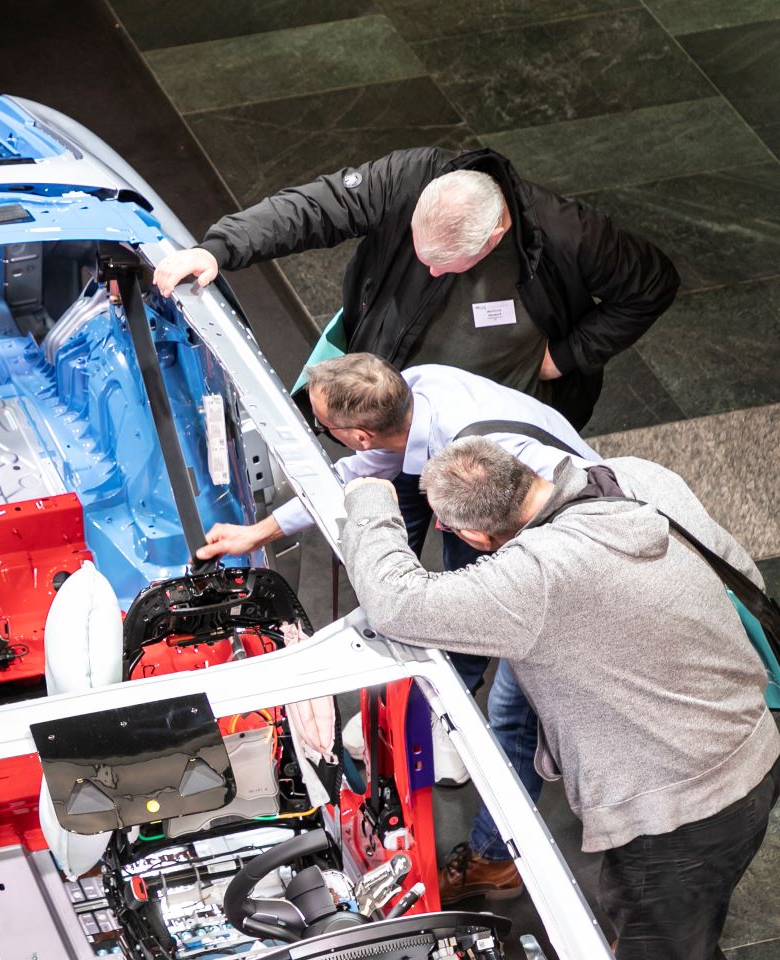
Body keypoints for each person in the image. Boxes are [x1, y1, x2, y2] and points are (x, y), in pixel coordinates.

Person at [341, 438, 779, 960]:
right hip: (752, 736)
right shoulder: (635, 474)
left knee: (662, 939)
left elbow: (396, 601)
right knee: (676, 919)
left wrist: (370, 498)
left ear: (475, 535)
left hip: (684, 807)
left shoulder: (534, 578)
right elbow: (741, 572)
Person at [196, 352, 598, 902]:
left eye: (326, 429)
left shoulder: (486, 461)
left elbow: (548, 549)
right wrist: (259, 532)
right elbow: (355, 475)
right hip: (515, 523)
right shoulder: (417, 388)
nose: (330, 439)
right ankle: (443, 710)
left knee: (514, 709)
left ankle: (494, 860)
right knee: (460, 626)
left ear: (360, 434)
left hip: (563, 558)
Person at [153, 147, 679, 430]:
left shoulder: (572, 235)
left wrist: (566, 356)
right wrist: (218, 249)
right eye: (419, 252)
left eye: (443, 265)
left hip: (489, 436)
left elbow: (653, 284)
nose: (425, 269)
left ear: (494, 237)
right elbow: (314, 208)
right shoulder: (409, 178)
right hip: (394, 416)